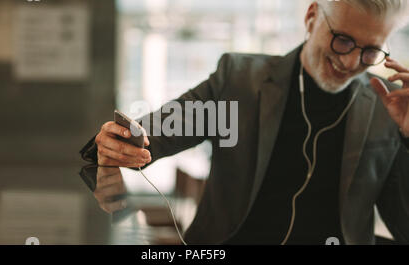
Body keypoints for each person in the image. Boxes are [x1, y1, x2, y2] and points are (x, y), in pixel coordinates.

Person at [80, 0, 409, 245]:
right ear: (311, 18)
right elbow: (159, 134)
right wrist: (117, 142)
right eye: (343, 40)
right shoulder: (240, 83)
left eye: (370, 51)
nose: (351, 61)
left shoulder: (390, 107)